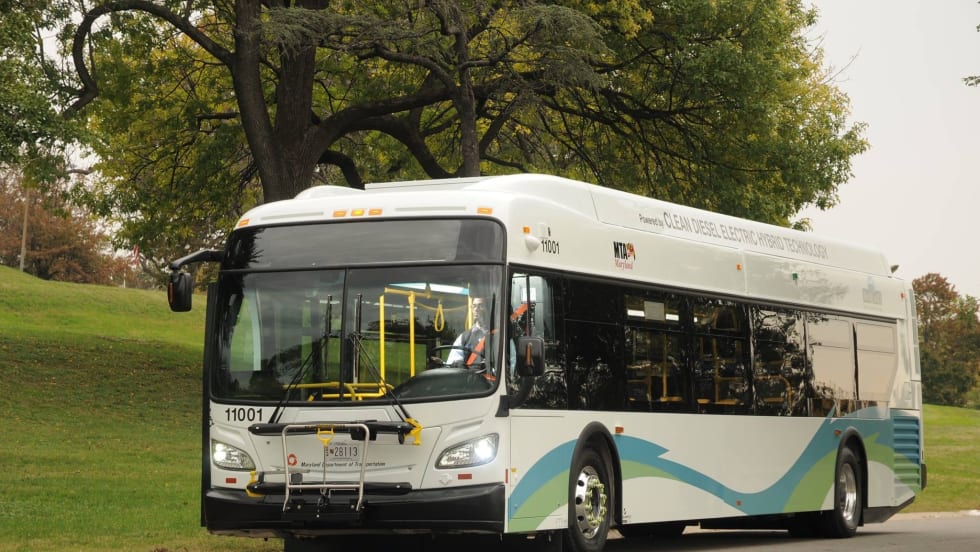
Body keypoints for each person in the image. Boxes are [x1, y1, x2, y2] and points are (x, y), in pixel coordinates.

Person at [447, 297, 489, 367]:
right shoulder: (464, 337)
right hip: (469, 373)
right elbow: (453, 360)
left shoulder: (499, 335)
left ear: (488, 309)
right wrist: (458, 363)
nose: (476, 309)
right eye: (474, 306)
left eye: (480, 306)